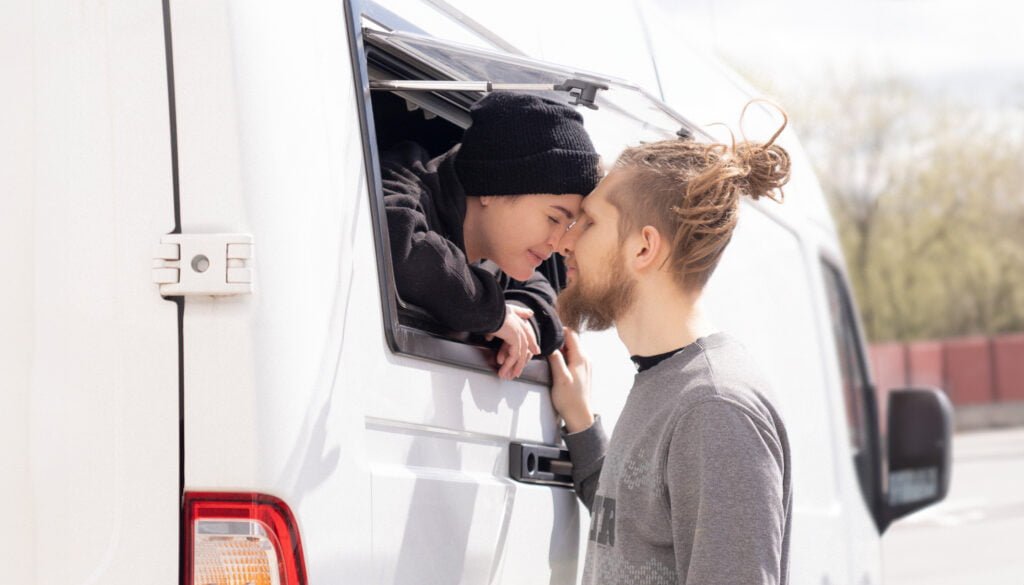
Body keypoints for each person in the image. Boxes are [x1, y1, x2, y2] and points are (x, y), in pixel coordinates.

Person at [548, 112, 794, 584]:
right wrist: (580, 423)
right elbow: (635, 526)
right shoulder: (669, 383)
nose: (565, 240)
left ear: (644, 249)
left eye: (590, 222)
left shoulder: (714, 408)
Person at [382, 92, 600, 379]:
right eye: (553, 218)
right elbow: (401, 243)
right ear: (492, 188)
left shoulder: (499, 254)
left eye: (567, 227)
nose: (558, 243)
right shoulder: (402, 183)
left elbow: (543, 295)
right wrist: (492, 313)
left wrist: (519, 325)